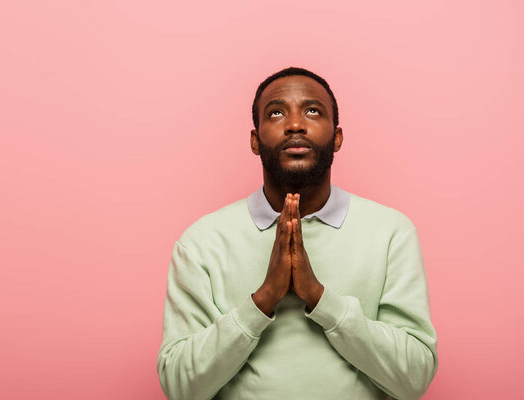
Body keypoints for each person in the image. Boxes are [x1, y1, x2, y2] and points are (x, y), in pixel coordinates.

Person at [157, 67, 438, 400]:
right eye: (276, 112)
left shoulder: (392, 233)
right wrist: (262, 301)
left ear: (337, 137)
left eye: (312, 111)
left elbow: (414, 378)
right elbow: (179, 387)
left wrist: (319, 297)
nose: (294, 124)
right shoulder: (201, 242)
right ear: (254, 140)